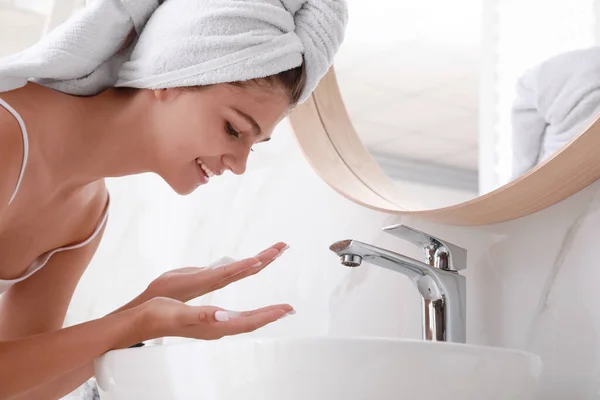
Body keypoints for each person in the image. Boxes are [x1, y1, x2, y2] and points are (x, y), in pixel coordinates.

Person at [0, 0, 348, 398]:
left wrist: (148, 307)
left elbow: (20, 391)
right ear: (171, 75)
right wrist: (136, 322)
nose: (238, 166)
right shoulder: (6, 135)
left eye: (253, 146)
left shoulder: (87, 214)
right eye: (234, 130)